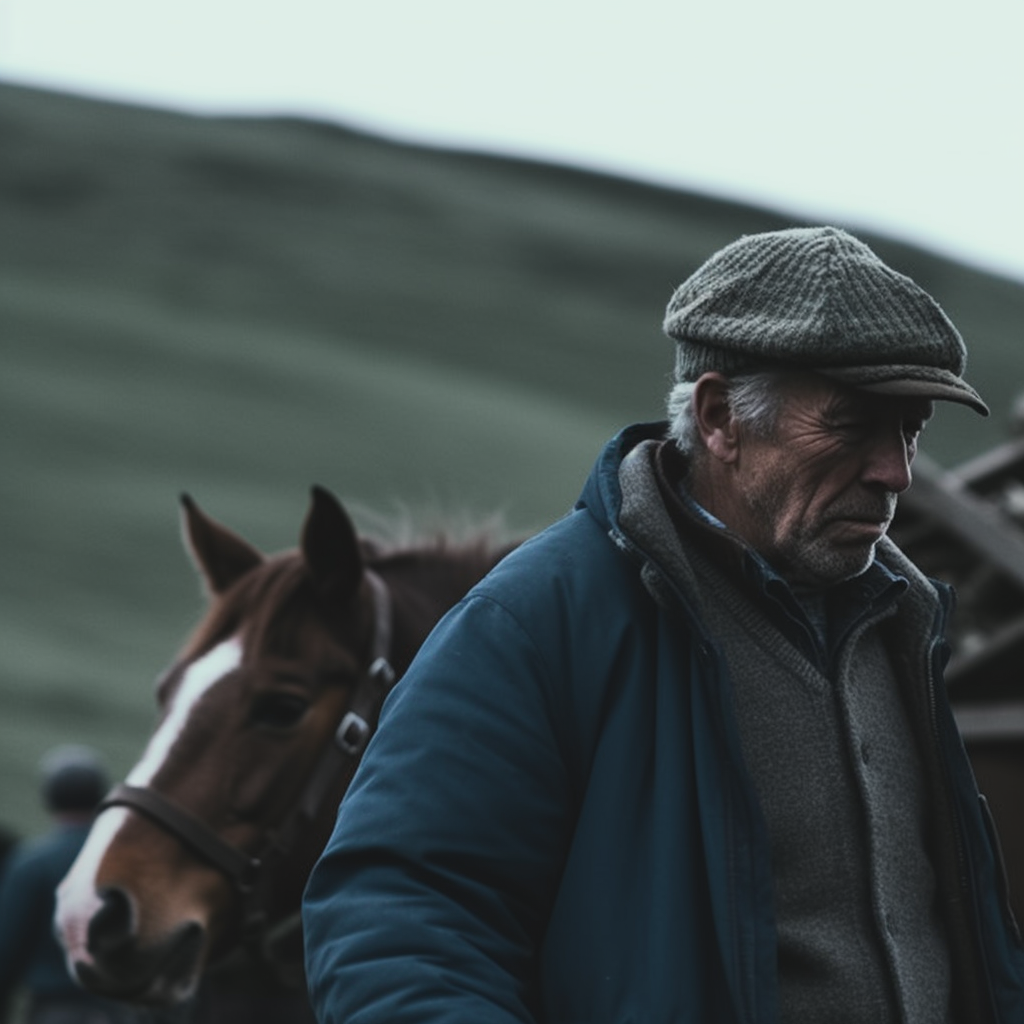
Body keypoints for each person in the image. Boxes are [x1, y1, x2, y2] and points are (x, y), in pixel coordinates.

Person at [301, 226, 1024, 1023]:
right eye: (852, 425)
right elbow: (399, 922)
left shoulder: (900, 625)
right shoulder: (538, 622)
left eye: (911, 429)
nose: (897, 472)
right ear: (719, 418)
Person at [0, 745, 142, 1024]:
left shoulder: (32, 864)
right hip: (123, 1012)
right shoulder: (131, 863)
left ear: (49, 796)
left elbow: (7, 949)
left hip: (55, 1012)